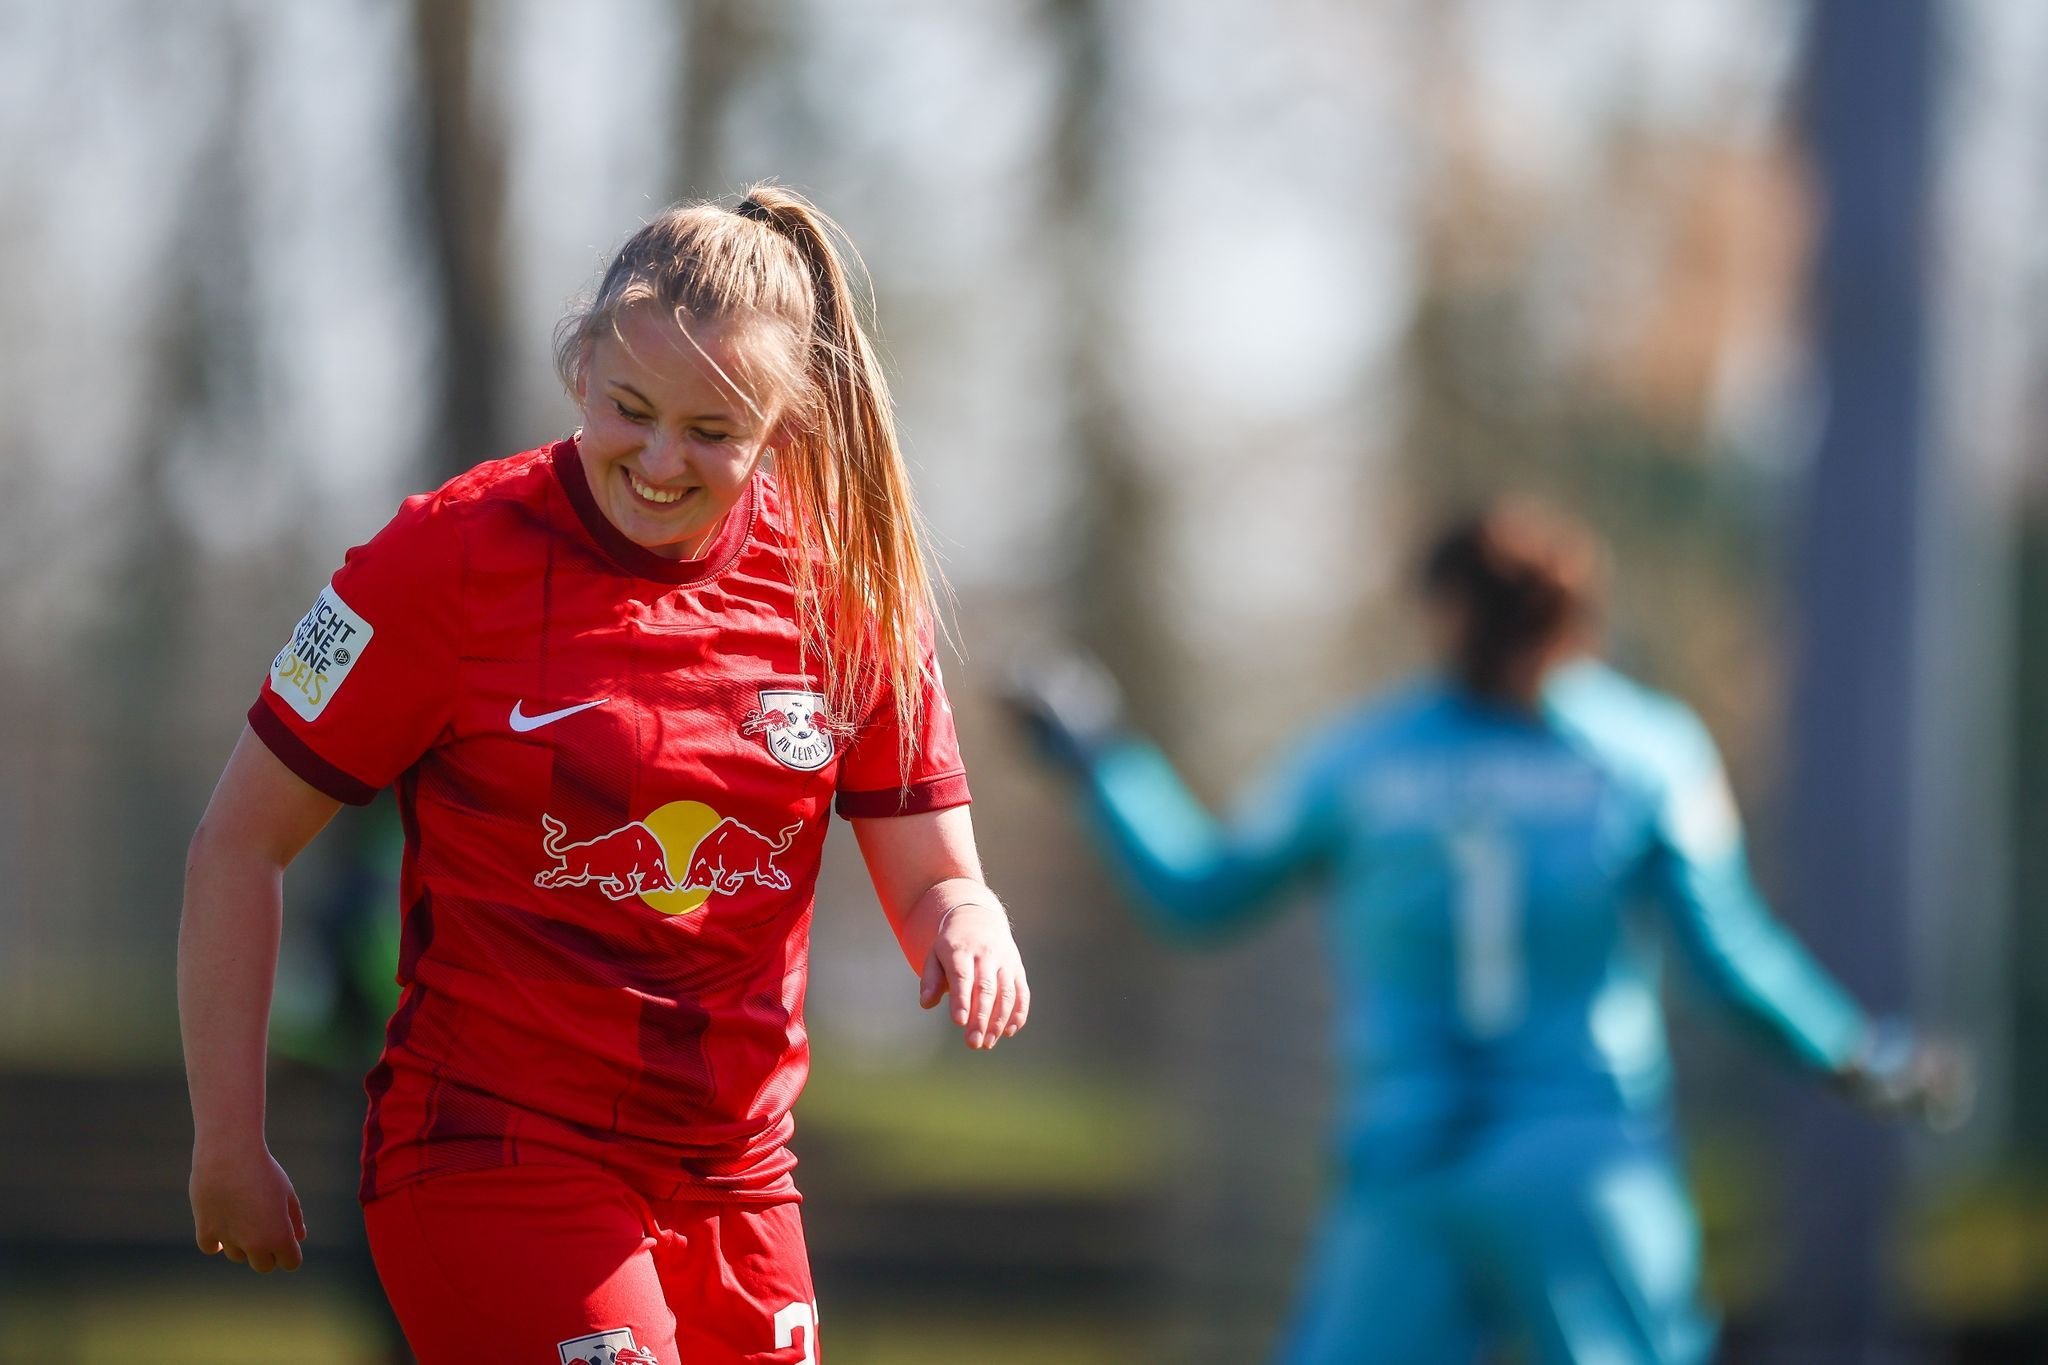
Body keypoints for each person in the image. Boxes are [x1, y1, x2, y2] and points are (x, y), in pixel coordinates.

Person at [180, 185, 1030, 1365]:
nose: (662, 460)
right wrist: (229, 1141)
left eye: (714, 431)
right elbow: (241, 842)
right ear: (578, 366)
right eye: (631, 410)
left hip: (737, 1179)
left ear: (782, 427)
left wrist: (968, 921)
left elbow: (936, 872)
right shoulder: (440, 561)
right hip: (494, 1152)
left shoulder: (847, 591)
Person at [1004, 498, 1966, 1365]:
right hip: (1584, 1167)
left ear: (1441, 613)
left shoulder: (1362, 761)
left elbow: (1197, 892)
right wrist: (1859, 1051)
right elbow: (1732, 960)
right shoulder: (1647, 755)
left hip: (1409, 1165)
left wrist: (1097, 754)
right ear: (1578, 620)